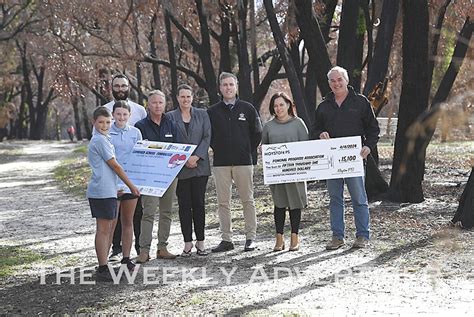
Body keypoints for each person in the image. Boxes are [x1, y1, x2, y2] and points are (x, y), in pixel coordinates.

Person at [312, 66, 380, 250]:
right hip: (332, 162)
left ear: (347, 80)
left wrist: (368, 147)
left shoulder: (360, 102)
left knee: (359, 197)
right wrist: (320, 134)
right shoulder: (324, 106)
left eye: (339, 79)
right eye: (332, 81)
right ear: (329, 83)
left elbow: (373, 129)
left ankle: (363, 236)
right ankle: (337, 237)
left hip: (355, 160)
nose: (336, 83)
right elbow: (314, 129)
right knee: (335, 198)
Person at [207, 72, 262, 252]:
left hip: (243, 161)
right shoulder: (212, 111)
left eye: (231, 84)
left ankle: (250, 237)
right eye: (225, 85)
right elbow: (209, 136)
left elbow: (257, 133)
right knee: (223, 202)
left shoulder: (247, 108)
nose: (228, 88)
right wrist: (216, 147)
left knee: (248, 200)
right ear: (220, 88)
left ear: (236, 86)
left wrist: (247, 150)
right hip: (221, 162)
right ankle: (226, 239)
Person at [86, 106, 140, 281]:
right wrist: (131, 186)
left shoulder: (104, 138)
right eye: (101, 122)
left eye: (108, 122)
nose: (105, 125)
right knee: (103, 230)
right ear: (94, 122)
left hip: (108, 189)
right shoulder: (100, 141)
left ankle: (104, 266)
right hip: (101, 191)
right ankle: (102, 268)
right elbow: (115, 165)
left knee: (108, 228)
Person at [105, 73, 147, 261]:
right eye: (117, 86)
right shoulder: (104, 111)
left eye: (123, 85)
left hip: (133, 178)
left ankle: (134, 250)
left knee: (134, 215)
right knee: (112, 219)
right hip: (112, 179)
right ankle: (113, 251)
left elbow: (141, 149)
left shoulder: (139, 111)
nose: (120, 89)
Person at [134, 90, 178, 262]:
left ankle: (163, 247)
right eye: (154, 103)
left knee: (166, 212)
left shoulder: (171, 124)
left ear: (165, 104)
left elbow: (177, 149)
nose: (157, 105)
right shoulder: (140, 126)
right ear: (148, 105)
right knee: (148, 212)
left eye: (160, 102)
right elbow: (138, 152)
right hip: (149, 177)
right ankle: (144, 250)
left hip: (169, 175)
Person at [262, 92, 309, 252]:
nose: (278, 108)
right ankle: (279, 238)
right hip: (277, 173)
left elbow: (306, 147)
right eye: (275, 105)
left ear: (288, 105)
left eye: (281, 104)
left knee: (295, 204)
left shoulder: (298, 124)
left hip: (295, 171)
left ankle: (295, 237)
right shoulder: (268, 126)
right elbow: (265, 146)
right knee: (279, 204)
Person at [168, 84, 211, 256]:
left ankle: (201, 242)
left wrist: (197, 156)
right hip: (180, 168)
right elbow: (169, 140)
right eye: (182, 96)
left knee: (199, 204)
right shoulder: (170, 117)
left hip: (200, 166)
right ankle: (187, 243)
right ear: (177, 98)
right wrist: (183, 159)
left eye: (188, 96)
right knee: (184, 206)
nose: (185, 99)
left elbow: (207, 136)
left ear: (192, 97)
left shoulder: (202, 114)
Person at [109, 100, 143, 270]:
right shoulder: (106, 132)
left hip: (131, 183)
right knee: (111, 222)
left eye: (125, 114)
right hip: (111, 184)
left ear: (129, 116)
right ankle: (104, 260)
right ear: (113, 115)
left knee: (128, 221)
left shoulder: (136, 133)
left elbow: (140, 158)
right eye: (118, 114)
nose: (121, 117)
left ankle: (126, 257)